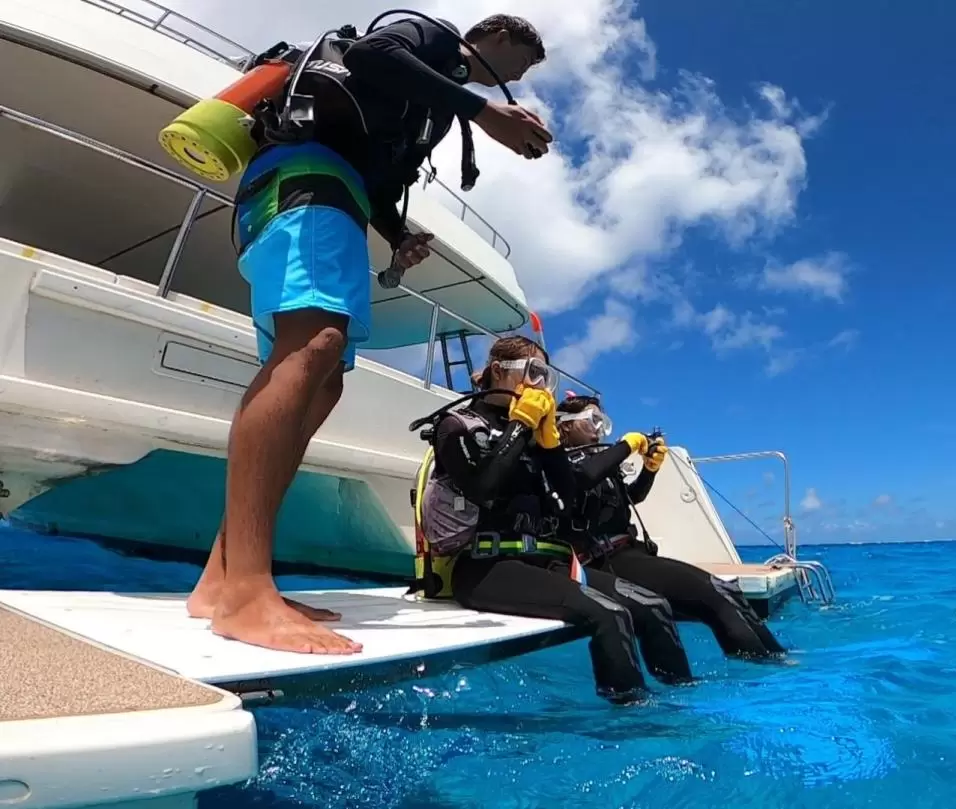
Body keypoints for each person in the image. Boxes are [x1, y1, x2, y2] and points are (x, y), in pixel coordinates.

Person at [187, 14, 553, 654]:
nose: (515, 82)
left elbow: (377, 176)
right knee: (313, 347)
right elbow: (375, 57)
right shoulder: (429, 39)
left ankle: (222, 579)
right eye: (516, 66)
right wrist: (485, 112)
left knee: (324, 381)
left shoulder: (431, 108)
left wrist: (398, 235)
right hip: (303, 183)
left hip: (336, 199)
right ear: (494, 38)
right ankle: (246, 592)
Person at [413, 335, 694, 704]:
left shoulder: (535, 432)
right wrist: (520, 426)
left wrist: (548, 444)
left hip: (548, 561)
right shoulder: (458, 425)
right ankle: (633, 720)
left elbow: (569, 495)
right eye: (533, 373)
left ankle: (682, 703)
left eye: (546, 376)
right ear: (499, 371)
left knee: (654, 605)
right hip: (488, 565)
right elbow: (483, 488)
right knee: (610, 615)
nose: (540, 385)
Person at [555, 393, 789, 661]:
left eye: (602, 422)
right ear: (566, 425)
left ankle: (777, 658)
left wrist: (649, 471)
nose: (598, 430)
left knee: (726, 589)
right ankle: (765, 671)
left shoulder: (601, 463)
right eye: (591, 420)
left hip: (630, 552)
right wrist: (624, 448)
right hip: (602, 560)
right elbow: (582, 479)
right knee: (711, 593)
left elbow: (631, 498)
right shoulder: (562, 464)